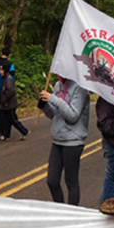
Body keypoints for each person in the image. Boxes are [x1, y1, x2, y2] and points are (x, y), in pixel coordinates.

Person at [39, 76, 90, 205]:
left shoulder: (80, 88)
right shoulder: (58, 85)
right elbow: (53, 114)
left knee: (71, 181)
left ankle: (72, 213)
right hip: (57, 139)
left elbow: (73, 116)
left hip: (73, 140)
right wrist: (45, 106)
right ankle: (60, 209)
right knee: (52, 180)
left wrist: (53, 99)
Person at [0, 64, 29, 140]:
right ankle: (6, 135)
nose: (0, 72)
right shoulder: (5, 78)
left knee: (12, 119)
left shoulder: (8, 79)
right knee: (6, 119)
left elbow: (10, 91)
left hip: (9, 104)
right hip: (6, 104)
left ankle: (24, 131)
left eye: (2, 70)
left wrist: (4, 100)